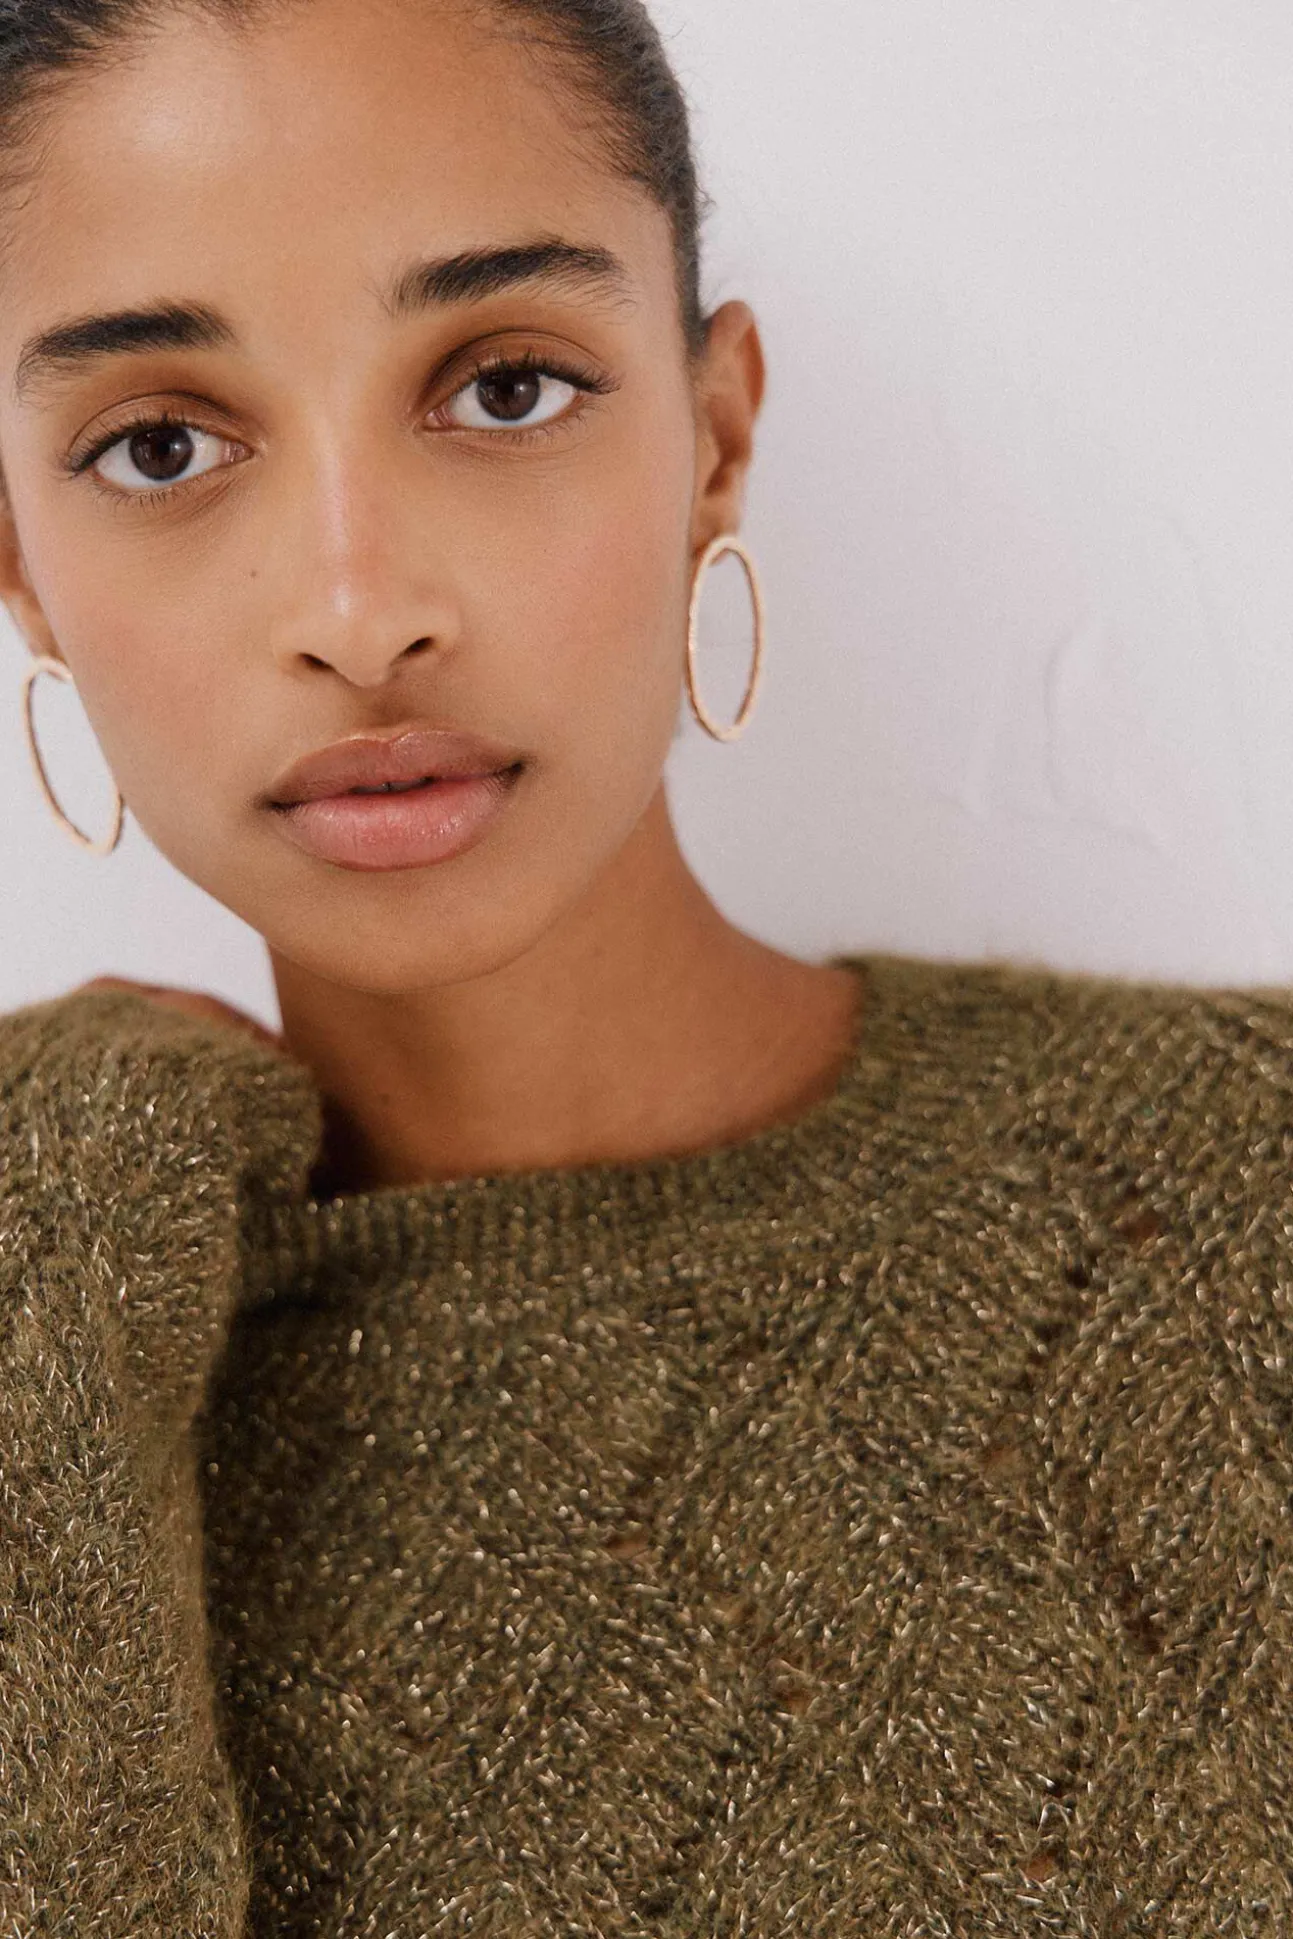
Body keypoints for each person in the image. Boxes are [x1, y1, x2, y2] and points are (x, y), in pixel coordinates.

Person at [0, 0, 1289, 1931]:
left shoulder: (1232, 1192)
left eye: (506, 387)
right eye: (160, 443)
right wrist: (46, 1220)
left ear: (714, 443)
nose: (359, 610)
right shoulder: (60, 1314)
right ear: (23, 560)